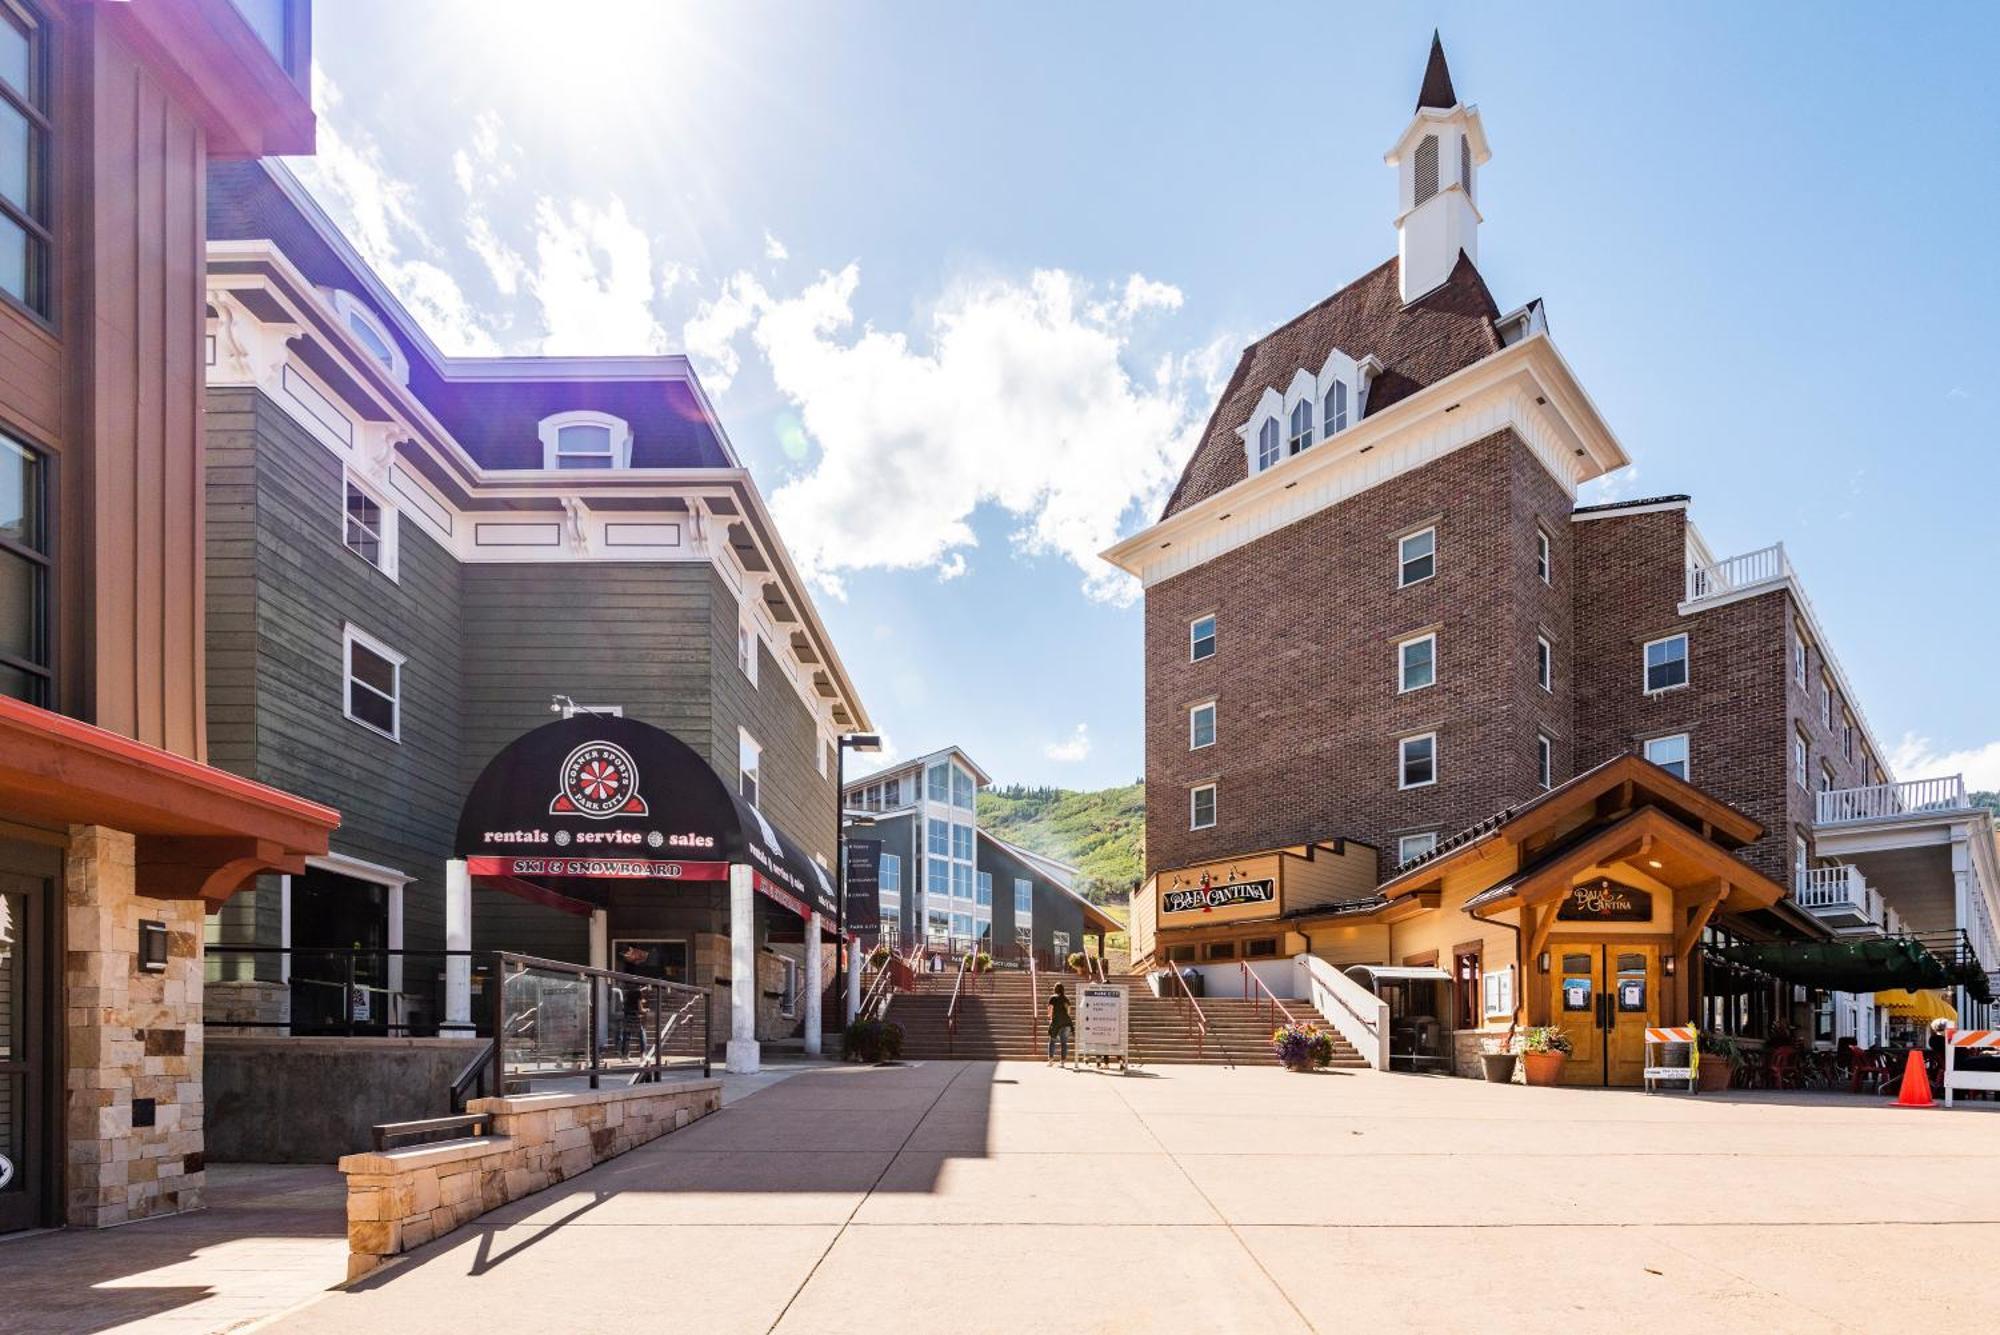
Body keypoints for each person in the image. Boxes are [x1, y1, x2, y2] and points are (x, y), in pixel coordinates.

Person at [1047, 982, 1075, 1068]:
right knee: (1064, 1043)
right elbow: (1069, 1010)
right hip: (1066, 1023)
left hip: (1056, 1022)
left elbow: (1050, 1009)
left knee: (1052, 1041)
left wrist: (1050, 1018)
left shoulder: (1053, 998)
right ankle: (1062, 1062)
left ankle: (1051, 1061)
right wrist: (1065, 1016)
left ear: (1055, 989)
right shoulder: (1066, 999)